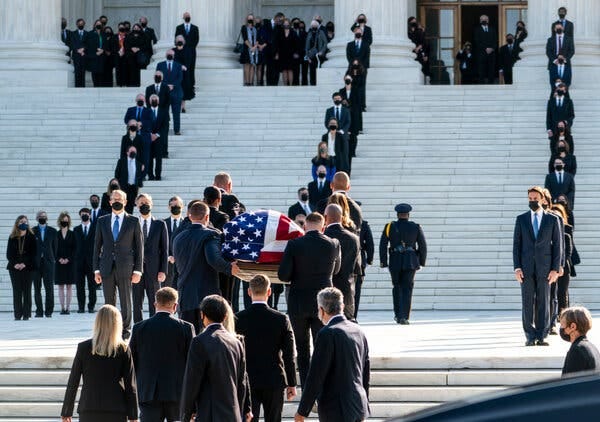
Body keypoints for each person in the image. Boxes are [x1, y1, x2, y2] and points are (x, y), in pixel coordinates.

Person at [278, 212, 341, 386]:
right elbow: (336, 271)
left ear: (305, 226)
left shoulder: (294, 244)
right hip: (323, 303)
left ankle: (306, 386)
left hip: (298, 301)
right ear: (324, 226)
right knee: (321, 346)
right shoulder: (333, 244)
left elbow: (283, 275)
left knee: (302, 347)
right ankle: (319, 385)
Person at [294, 287, 370, 422]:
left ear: (321, 310)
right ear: (342, 306)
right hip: (358, 404)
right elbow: (365, 372)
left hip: (336, 408)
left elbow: (316, 375)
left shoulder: (327, 333)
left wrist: (302, 411)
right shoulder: (358, 331)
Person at [180, 295, 252, 422]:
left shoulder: (199, 341)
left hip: (209, 414)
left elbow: (192, 381)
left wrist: (186, 414)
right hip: (232, 413)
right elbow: (242, 382)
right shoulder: (236, 342)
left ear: (202, 315)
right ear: (225, 316)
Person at [235, 275, 297, 422]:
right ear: (269, 292)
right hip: (274, 379)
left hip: (248, 380)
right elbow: (289, 354)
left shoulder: (237, 319)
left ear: (249, 292)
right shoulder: (281, 319)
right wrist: (292, 382)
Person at [61, 305, 138, 422]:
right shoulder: (123, 350)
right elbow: (130, 385)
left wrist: (67, 411)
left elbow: (73, 382)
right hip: (116, 408)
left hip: (89, 407)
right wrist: (133, 415)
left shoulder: (84, 348)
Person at [173, 201, 240, 333]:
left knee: (189, 337)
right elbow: (213, 259)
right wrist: (229, 268)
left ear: (190, 216)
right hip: (207, 296)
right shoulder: (211, 235)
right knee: (209, 337)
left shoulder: (178, 237)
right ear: (207, 217)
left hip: (185, 295)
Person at [130, 287, 194, 422]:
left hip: (148, 392)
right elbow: (192, 363)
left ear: (155, 304)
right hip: (177, 393)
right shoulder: (186, 328)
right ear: (175, 305)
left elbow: (132, 363)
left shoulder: (139, 328)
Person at [513, 186, 561, 346]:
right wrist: (517, 267)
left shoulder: (553, 219)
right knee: (527, 302)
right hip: (526, 269)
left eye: (535, 198)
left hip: (545, 268)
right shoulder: (521, 219)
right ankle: (529, 335)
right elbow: (516, 245)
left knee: (544, 301)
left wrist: (555, 268)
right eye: (530, 199)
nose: (532, 201)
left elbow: (558, 246)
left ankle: (542, 335)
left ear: (542, 199)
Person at [93, 189, 144, 339]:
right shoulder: (102, 220)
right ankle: (110, 331)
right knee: (109, 302)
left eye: (119, 199)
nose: (116, 201)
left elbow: (139, 247)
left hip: (126, 267)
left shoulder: (133, 221)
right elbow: (97, 246)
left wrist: (138, 270)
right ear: (109, 202)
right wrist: (96, 269)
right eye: (114, 199)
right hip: (106, 267)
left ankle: (125, 332)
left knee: (126, 301)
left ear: (125, 202)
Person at [379, 203, 427, 324]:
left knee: (397, 288)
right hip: (411, 261)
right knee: (407, 288)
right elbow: (422, 245)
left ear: (397, 215)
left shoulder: (389, 226)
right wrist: (422, 262)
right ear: (408, 215)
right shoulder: (415, 227)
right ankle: (405, 316)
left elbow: (382, 245)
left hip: (395, 260)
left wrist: (383, 263)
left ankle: (398, 315)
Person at [133, 194, 168, 323]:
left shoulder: (160, 224)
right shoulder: (132, 223)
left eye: (147, 202)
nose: (144, 205)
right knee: (137, 302)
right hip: (136, 270)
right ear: (137, 205)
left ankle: (154, 326)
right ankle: (138, 327)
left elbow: (164, 249)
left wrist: (163, 270)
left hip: (154, 271)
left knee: (155, 301)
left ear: (152, 204)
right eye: (141, 203)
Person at [323, 204, 360, 321]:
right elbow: (356, 267)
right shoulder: (354, 238)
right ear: (342, 217)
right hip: (347, 288)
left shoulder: (323, 237)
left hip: (326, 288)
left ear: (325, 217)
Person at [6, 215, 37, 321]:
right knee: (17, 291)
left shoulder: (32, 237)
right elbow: (9, 254)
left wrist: (24, 264)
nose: (23, 223)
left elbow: (34, 254)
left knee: (27, 291)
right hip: (14, 268)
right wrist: (15, 264)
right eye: (21, 222)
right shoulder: (12, 237)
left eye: (25, 221)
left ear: (27, 223)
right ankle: (17, 314)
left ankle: (26, 314)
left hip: (28, 268)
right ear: (17, 224)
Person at [560, 307, 600, 377]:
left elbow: (569, 384)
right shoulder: (592, 347)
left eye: (562, 324)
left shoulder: (577, 350)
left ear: (573, 326)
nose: (561, 328)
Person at [32, 210, 58, 318]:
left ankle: (49, 311)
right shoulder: (32, 231)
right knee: (37, 288)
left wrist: (53, 259)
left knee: (49, 288)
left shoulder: (53, 231)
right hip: (36, 263)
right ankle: (39, 311)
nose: (42, 218)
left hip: (48, 262)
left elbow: (55, 247)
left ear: (47, 218)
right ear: (37, 218)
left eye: (44, 216)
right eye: (40, 216)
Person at [552, 203, 573, 327]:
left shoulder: (566, 235)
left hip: (563, 269)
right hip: (551, 270)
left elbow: (568, 253)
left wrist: (560, 266)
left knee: (562, 294)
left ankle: (563, 318)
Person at [73, 208, 96, 314]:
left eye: (86, 214)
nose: (85, 215)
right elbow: (73, 246)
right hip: (79, 262)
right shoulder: (76, 229)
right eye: (83, 214)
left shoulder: (95, 228)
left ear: (90, 215)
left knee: (92, 286)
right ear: (80, 216)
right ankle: (81, 306)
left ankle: (91, 306)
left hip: (91, 262)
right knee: (80, 286)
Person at [124, 94, 153, 176]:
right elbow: (126, 120)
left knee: (145, 157)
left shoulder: (148, 110)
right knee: (133, 156)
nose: (140, 101)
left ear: (144, 101)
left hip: (145, 138)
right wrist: (133, 122)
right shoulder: (130, 110)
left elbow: (151, 121)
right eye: (139, 99)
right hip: (132, 137)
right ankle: (133, 174)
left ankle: (143, 175)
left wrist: (142, 123)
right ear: (136, 100)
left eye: (142, 99)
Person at [156, 50, 183, 135]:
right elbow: (158, 77)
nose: (170, 55)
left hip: (176, 92)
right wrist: (166, 86)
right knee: (164, 113)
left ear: (174, 55)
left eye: (171, 54)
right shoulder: (160, 65)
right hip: (164, 93)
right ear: (165, 55)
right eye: (168, 54)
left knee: (176, 113)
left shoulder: (178, 65)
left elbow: (180, 78)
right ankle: (164, 129)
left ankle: (177, 130)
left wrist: (172, 85)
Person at [56, 212, 76, 315]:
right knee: (60, 286)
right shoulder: (56, 234)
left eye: (66, 220)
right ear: (60, 221)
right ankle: (62, 308)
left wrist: (68, 259)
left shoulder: (72, 234)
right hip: (59, 263)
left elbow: (75, 249)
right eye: (63, 220)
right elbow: (54, 248)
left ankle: (67, 308)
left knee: (69, 286)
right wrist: (59, 259)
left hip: (70, 263)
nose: (65, 222)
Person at [355, 211, 374, 319]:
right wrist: (369, 260)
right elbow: (370, 244)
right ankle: (354, 316)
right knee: (357, 290)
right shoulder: (363, 224)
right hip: (359, 259)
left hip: (344, 258)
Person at [115, 146, 144, 214]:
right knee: (122, 205)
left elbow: (139, 176)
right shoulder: (121, 161)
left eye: (134, 151)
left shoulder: (139, 164)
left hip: (133, 188)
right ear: (127, 152)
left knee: (130, 207)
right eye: (131, 151)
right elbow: (117, 174)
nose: (133, 153)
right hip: (124, 187)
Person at [339, 74, 362, 157]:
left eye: (349, 79)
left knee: (353, 136)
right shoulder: (341, 91)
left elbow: (358, 103)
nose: (347, 80)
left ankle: (352, 152)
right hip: (344, 116)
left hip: (354, 116)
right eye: (346, 79)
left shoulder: (356, 90)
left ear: (351, 80)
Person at [147, 94, 169, 180]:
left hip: (159, 139)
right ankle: (150, 175)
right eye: (152, 99)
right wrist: (150, 135)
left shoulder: (164, 111)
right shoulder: (146, 111)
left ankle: (158, 175)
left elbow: (165, 126)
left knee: (159, 159)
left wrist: (156, 135)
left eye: (155, 99)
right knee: (149, 158)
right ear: (149, 101)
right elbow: (144, 125)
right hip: (148, 139)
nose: (154, 101)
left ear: (158, 101)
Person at [174, 12, 199, 89]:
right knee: (181, 67)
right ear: (183, 18)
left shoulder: (195, 28)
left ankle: (192, 84)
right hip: (181, 51)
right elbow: (176, 39)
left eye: (188, 16)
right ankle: (182, 83)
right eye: (186, 16)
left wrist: (190, 48)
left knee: (191, 67)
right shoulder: (179, 27)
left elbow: (196, 39)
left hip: (191, 51)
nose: (187, 17)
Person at [164, 196, 184, 289]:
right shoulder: (162, 223)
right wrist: (168, 256)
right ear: (168, 207)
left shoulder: (187, 224)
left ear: (182, 206)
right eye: (173, 205)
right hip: (168, 266)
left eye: (178, 205)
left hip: (183, 264)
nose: (175, 207)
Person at [473, 15, 497, 84]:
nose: (484, 20)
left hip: (491, 53)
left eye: (486, 19)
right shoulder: (476, 29)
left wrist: (492, 48)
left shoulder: (492, 29)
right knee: (481, 70)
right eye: (482, 19)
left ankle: (491, 84)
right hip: (481, 53)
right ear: (480, 21)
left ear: (488, 20)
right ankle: (481, 85)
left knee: (491, 70)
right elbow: (476, 41)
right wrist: (485, 48)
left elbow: (495, 40)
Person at [173, 35, 195, 112]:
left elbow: (189, 61)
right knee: (176, 90)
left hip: (184, 74)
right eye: (178, 39)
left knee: (183, 90)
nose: (180, 40)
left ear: (184, 41)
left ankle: (183, 107)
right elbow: (173, 61)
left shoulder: (188, 50)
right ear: (175, 41)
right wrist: (180, 66)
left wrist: (184, 66)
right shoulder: (173, 51)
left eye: (181, 39)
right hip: (175, 73)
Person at [84, 19, 107, 87]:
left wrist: (102, 50)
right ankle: (95, 86)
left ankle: (100, 87)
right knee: (94, 72)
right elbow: (89, 44)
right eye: (97, 23)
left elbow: (106, 43)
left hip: (102, 55)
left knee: (101, 72)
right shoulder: (90, 33)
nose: (98, 25)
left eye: (100, 24)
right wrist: (96, 51)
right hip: (94, 55)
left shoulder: (104, 34)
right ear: (94, 25)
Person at [305, 20, 327, 86]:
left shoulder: (321, 32)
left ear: (317, 26)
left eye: (315, 25)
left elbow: (325, 43)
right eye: (313, 25)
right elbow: (307, 46)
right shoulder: (309, 33)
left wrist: (322, 52)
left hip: (319, 55)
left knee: (318, 70)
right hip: (311, 55)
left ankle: (319, 83)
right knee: (312, 71)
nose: (314, 26)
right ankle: (312, 84)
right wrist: (307, 56)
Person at [240, 14, 258, 86]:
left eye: (251, 18)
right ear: (247, 19)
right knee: (247, 65)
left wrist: (255, 47)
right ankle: (247, 82)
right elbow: (245, 39)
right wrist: (251, 47)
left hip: (254, 49)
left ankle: (251, 82)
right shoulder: (244, 27)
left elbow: (257, 39)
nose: (250, 20)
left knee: (252, 66)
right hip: (247, 49)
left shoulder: (255, 28)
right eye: (249, 18)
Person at [71, 18, 87, 87]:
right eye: (79, 24)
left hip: (84, 55)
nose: (81, 25)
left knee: (83, 72)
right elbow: (72, 43)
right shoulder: (73, 33)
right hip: (76, 55)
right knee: (77, 71)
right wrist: (77, 50)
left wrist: (84, 49)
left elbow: (88, 43)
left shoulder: (87, 33)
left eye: (82, 23)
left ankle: (83, 87)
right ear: (77, 24)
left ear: (84, 24)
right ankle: (77, 87)